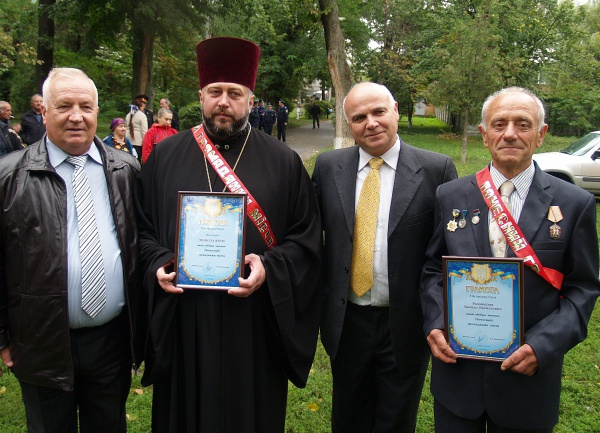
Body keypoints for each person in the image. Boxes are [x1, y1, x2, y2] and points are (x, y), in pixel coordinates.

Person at [135, 36, 321, 433]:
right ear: (200, 96)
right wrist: (158, 264)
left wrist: (269, 267)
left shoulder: (284, 163)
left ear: (250, 101)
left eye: (234, 94)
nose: (224, 102)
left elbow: (305, 240)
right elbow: (141, 229)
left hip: (252, 321)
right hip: (184, 317)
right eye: (215, 92)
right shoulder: (165, 157)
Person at [420, 87, 600, 432]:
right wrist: (435, 321)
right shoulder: (450, 195)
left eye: (523, 124)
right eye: (499, 124)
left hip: (527, 382)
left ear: (541, 134)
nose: (510, 134)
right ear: (484, 134)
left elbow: (583, 288)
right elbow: (432, 269)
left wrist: (543, 346)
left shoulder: (574, 204)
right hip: (458, 375)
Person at [0, 67, 145, 433]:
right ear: (44, 111)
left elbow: (141, 246)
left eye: (86, 106)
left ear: (97, 111)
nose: (77, 116)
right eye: (64, 106)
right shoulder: (9, 176)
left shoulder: (126, 170)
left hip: (112, 341)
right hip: (40, 341)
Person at [312, 82, 457, 433]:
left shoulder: (436, 169)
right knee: (347, 417)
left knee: (396, 420)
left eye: (378, 112)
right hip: (347, 322)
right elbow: (311, 236)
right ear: (349, 124)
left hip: (405, 323)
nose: (371, 123)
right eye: (359, 117)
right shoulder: (329, 167)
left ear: (395, 110)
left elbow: (447, 253)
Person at [126, 97, 149, 162]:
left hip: (128, 140)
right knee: (137, 161)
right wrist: (146, 143)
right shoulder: (142, 115)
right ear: (141, 106)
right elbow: (144, 131)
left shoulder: (128, 115)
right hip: (138, 142)